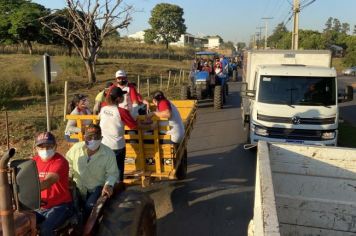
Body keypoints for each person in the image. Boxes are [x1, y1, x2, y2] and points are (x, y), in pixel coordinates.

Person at [65, 124, 119, 219]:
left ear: (101, 138)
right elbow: (68, 164)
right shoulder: (75, 149)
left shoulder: (108, 153)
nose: (93, 139)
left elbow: (112, 173)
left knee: (90, 207)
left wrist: (108, 185)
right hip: (78, 186)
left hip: (96, 188)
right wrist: (69, 177)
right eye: (90, 137)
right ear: (84, 137)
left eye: (96, 136)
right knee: (69, 207)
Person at [33, 132, 73, 236]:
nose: (45, 149)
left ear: (55, 147)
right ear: (36, 148)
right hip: (38, 206)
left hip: (60, 206)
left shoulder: (60, 161)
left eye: (48, 146)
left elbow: (49, 180)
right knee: (20, 221)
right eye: (41, 147)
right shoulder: (33, 162)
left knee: (46, 229)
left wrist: (29, 189)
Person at [99, 86, 140, 182]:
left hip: (104, 145)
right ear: (118, 99)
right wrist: (150, 126)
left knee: (106, 169)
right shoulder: (122, 111)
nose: (124, 97)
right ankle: (118, 188)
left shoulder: (103, 108)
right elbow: (134, 126)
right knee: (118, 169)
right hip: (117, 146)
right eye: (122, 95)